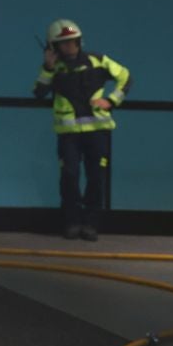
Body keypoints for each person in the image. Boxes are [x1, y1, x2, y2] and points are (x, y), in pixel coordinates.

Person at [33, 18, 131, 242]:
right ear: (53, 46)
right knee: (69, 176)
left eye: (73, 41)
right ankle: (71, 222)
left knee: (96, 177)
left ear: (79, 41)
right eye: (64, 43)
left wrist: (112, 100)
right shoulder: (52, 69)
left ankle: (91, 224)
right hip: (69, 136)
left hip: (98, 132)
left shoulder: (97, 60)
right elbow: (38, 92)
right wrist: (47, 68)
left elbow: (125, 77)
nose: (70, 46)